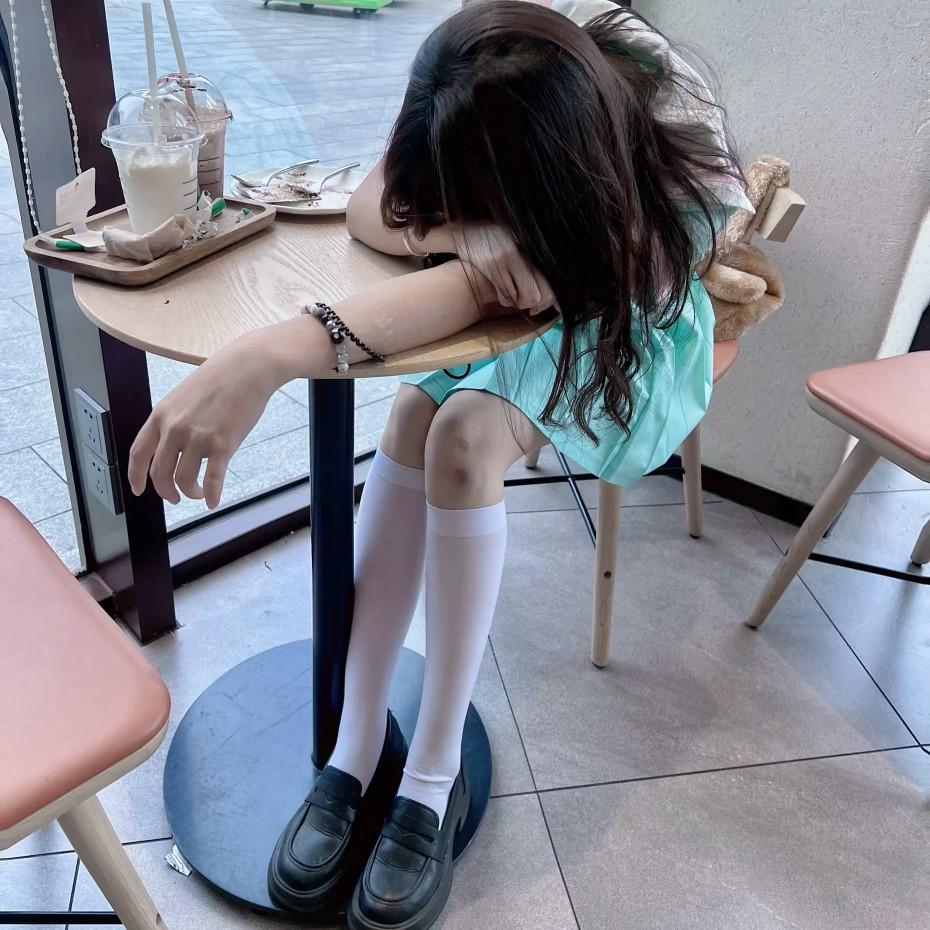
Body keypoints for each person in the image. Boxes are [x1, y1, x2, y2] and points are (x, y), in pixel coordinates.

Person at [128, 2, 751, 928]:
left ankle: (431, 771)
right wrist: (460, 234)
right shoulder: (487, 73)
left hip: (629, 315)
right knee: (414, 412)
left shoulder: (652, 161)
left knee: (461, 435)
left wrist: (266, 354)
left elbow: (486, 293)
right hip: (533, 282)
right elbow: (374, 205)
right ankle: (355, 744)